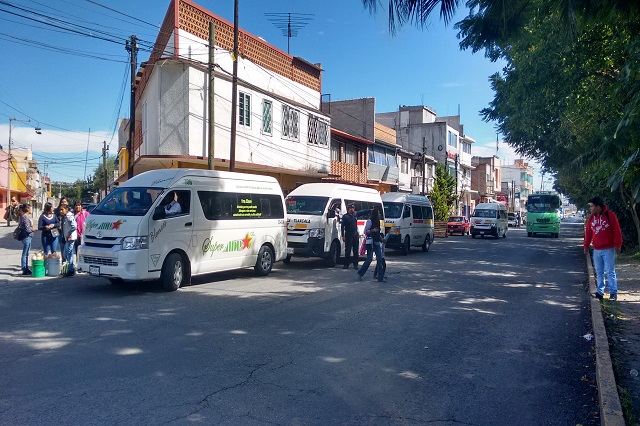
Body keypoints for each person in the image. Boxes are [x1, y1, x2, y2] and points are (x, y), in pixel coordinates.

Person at [584, 196, 623, 301]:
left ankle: (613, 293)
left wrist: (618, 244)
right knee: (599, 271)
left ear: (598, 207)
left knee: (610, 271)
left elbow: (617, 231)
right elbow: (588, 233)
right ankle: (600, 292)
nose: (590, 208)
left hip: (608, 248)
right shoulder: (591, 218)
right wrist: (586, 246)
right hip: (596, 249)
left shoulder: (610, 215)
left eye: (592, 206)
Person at [357, 207, 385, 282]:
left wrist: (381, 238)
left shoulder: (378, 222)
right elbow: (365, 231)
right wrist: (372, 230)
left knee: (379, 259)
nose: (380, 215)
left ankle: (380, 278)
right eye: (378, 213)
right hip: (371, 242)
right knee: (369, 259)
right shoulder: (370, 221)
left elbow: (378, 232)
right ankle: (360, 273)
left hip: (376, 242)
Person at [59, 203, 78, 277]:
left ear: (66, 210)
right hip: (67, 238)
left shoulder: (69, 216)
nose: (60, 211)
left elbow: (74, 226)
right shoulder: (65, 217)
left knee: (69, 253)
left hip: (70, 238)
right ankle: (71, 268)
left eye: (62, 209)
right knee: (65, 254)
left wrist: (69, 234)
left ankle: (71, 270)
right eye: (60, 210)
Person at [18, 204, 36, 275]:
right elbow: (27, 229)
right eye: (30, 208)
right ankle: (24, 268)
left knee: (26, 253)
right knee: (25, 253)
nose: (31, 209)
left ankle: (26, 268)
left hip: (28, 237)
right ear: (27, 209)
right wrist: (33, 229)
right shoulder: (25, 217)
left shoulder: (25, 216)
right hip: (26, 237)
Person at [341, 203, 360, 269]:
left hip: (355, 234)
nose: (353, 209)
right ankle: (346, 264)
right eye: (351, 208)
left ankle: (355, 264)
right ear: (349, 209)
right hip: (348, 235)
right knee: (348, 250)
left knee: (355, 250)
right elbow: (342, 226)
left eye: (353, 208)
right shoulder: (345, 216)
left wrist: (370, 210)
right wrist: (343, 235)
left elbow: (362, 212)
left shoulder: (355, 214)